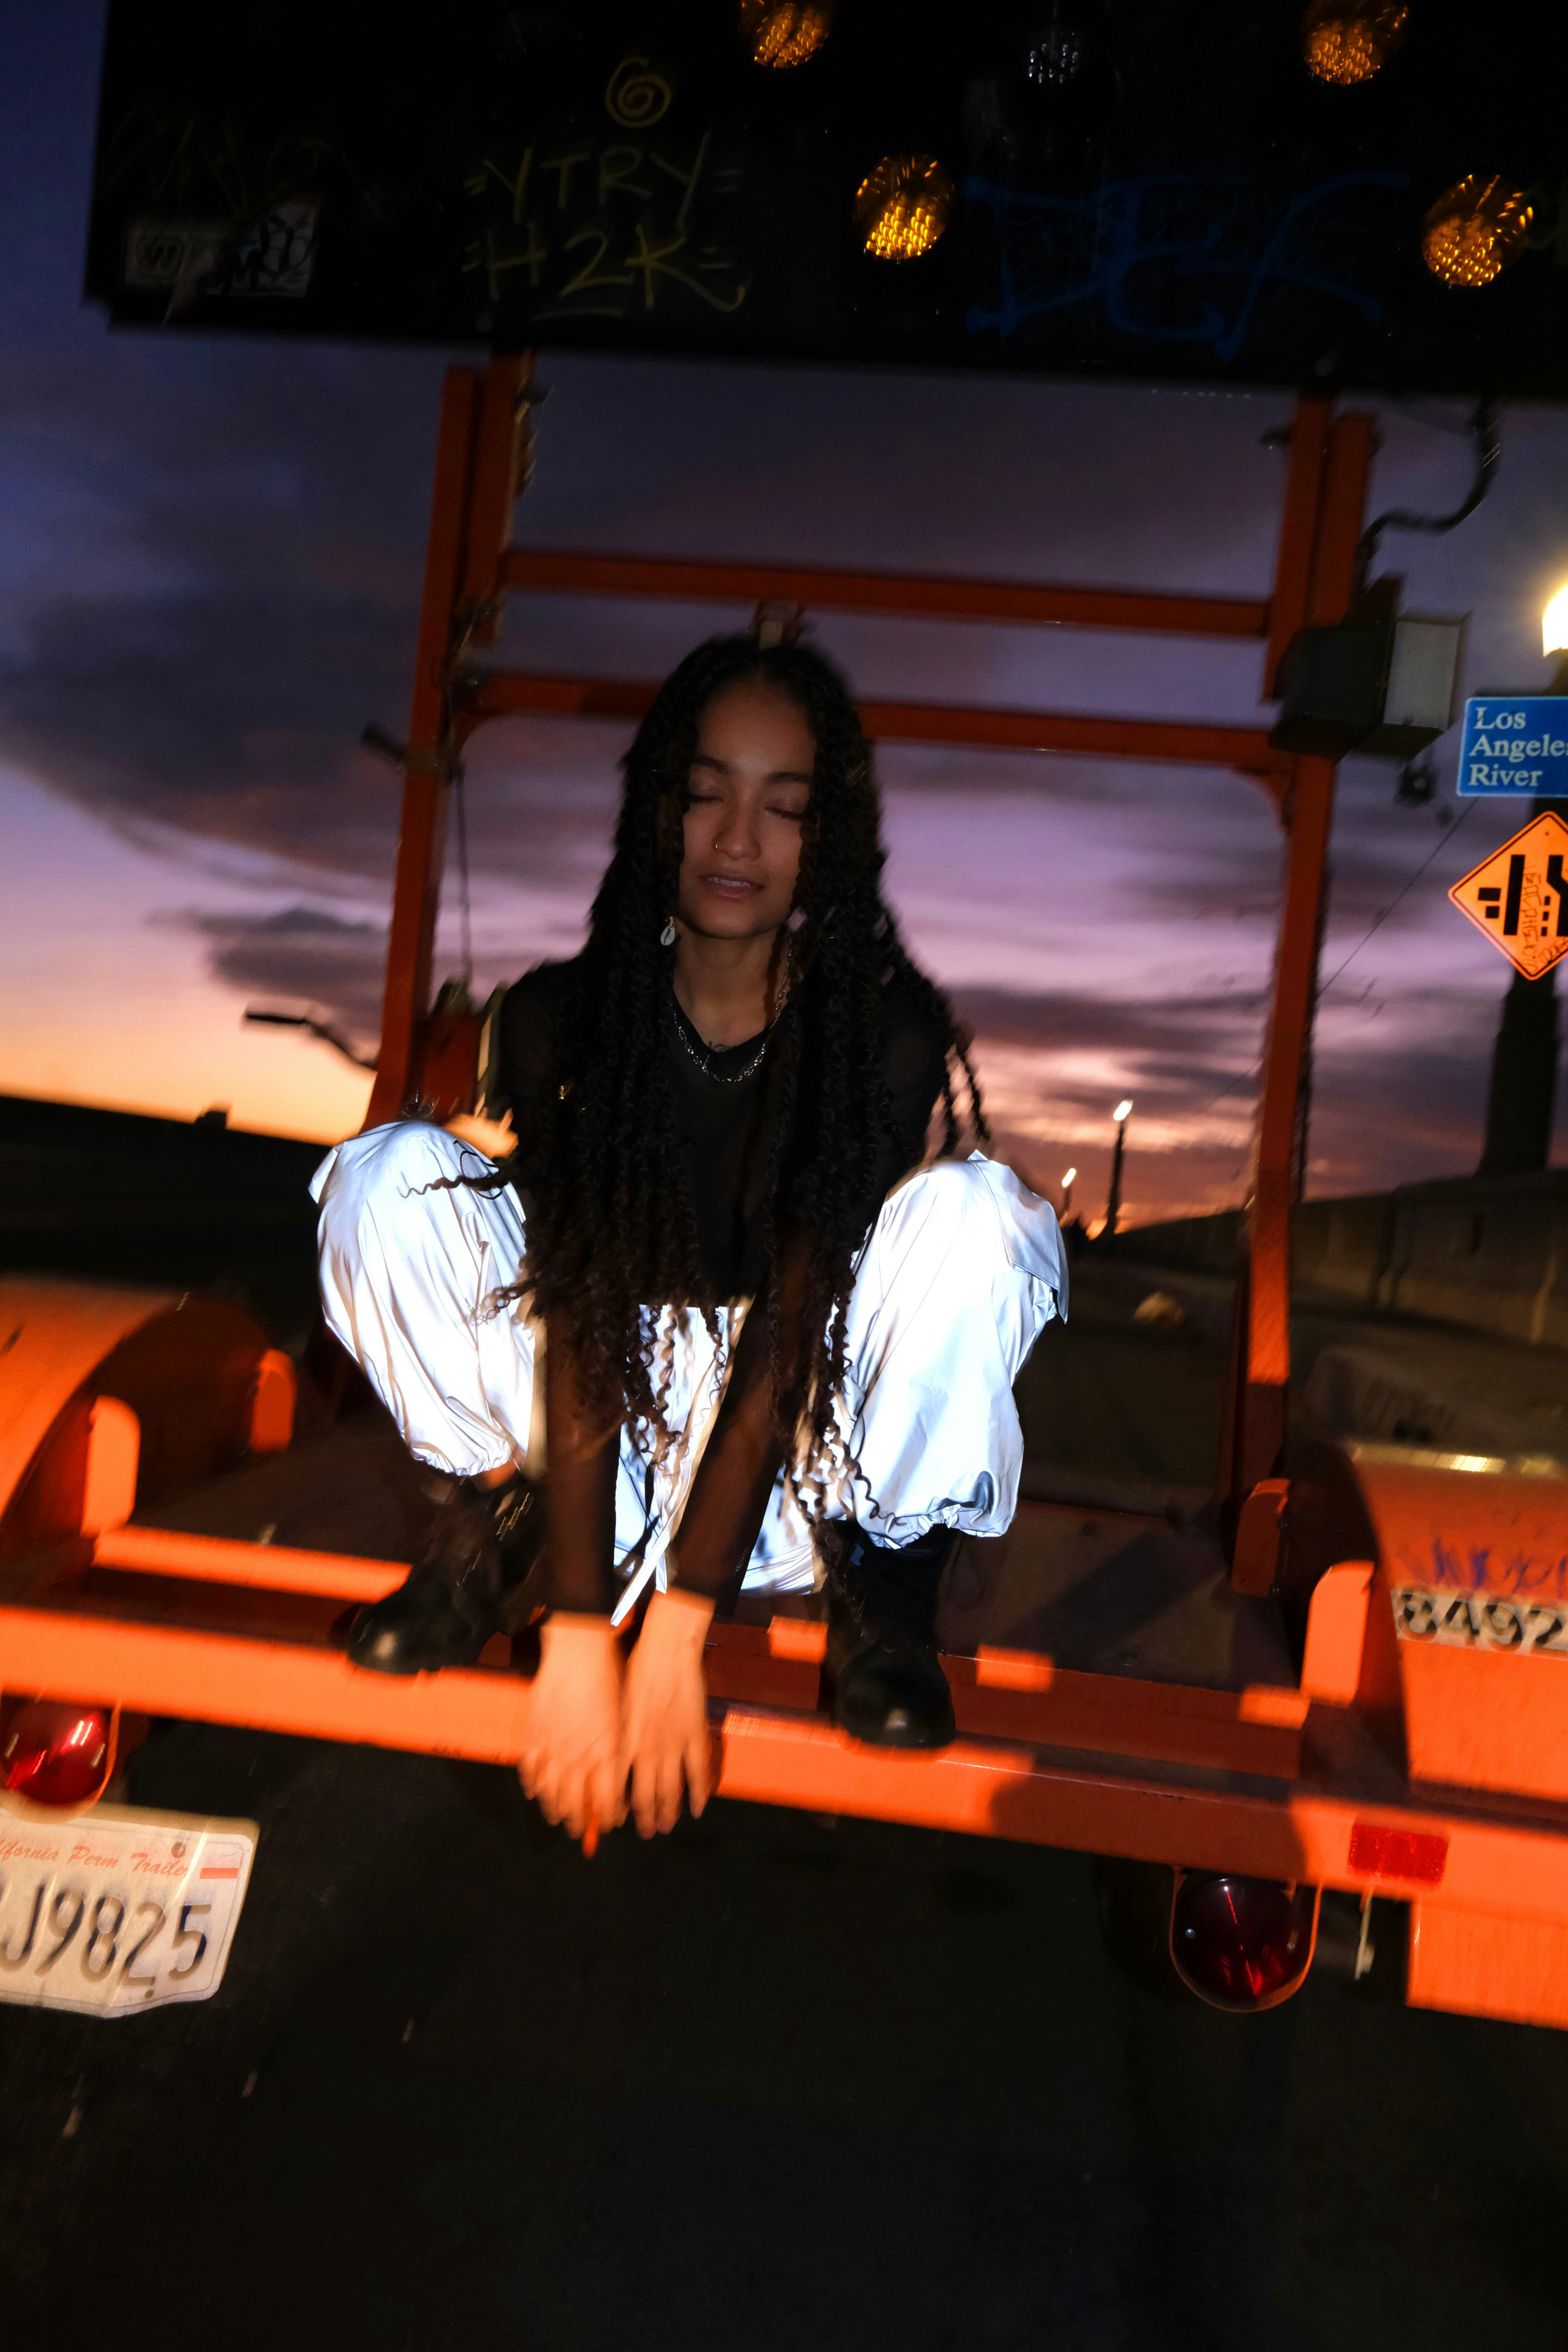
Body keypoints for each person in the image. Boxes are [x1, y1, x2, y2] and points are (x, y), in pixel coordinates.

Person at [310, 629, 1067, 1848]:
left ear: (829, 840)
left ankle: (887, 1591)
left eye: (783, 809)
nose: (735, 840)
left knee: (981, 1211)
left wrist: (675, 1639)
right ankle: (482, 1527)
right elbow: (580, 1302)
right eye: (706, 794)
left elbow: (797, 1312)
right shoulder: (562, 1017)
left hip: (800, 1448)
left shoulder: (881, 1035)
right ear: (659, 809)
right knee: (391, 1173)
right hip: (579, 1440)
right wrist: (568, 1631)